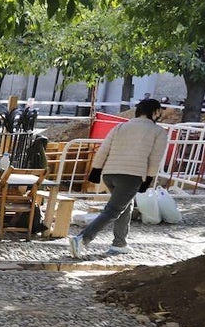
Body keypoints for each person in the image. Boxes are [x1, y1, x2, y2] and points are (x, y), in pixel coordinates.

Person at [69, 98, 168, 258]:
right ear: (155, 112)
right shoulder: (158, 132)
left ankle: (120, 243)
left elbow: (104, 150)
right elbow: (154, 160)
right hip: (132, 175)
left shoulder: (121, 126)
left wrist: (95, 171)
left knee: (125, 206)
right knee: (113, 210)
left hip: (109, 173)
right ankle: (82, 238)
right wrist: (148, 181)